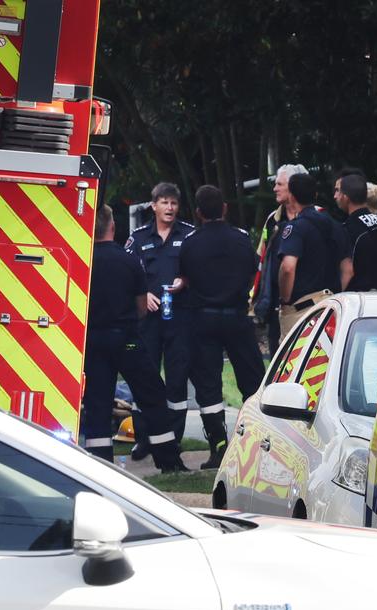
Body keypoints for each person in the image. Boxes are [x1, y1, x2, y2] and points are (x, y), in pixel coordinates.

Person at [80, 204, 183, 471]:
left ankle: (100, 464)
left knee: (97, 401)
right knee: (151, 394)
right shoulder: (128, 260)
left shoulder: (84, 259)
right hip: (126, 339)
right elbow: (140, 306)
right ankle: (168, 462)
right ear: (112, 227)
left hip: (93, 341)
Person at [178, 185, 265, 469]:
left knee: (208, 384)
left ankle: (218, 447)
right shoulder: (241, 239)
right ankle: (256, 442)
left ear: (199, 213)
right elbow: (255, 272)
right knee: (252, 380)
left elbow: (185, 278)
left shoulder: (190, 243)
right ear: (225, 208)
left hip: (203, 319)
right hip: (238, 318)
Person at [124, 182, 193, 470]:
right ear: (153, 206)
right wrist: (144, 294)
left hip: (179, 319)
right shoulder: (138, 238)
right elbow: (125, 273)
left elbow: (201, 269)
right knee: (146, 377)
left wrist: (185, 281)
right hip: (148, 320)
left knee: (177, 382)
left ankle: (172, 439)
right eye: (164, 202)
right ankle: (144, 437)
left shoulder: (189, 235)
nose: (169, 208)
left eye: (173, 203)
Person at [277, 172, 344, 337]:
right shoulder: (335, 225)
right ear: (315, 195)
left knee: (295, 359)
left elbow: (288, 267)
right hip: (333, 305)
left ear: (291, 196)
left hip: (302, 309)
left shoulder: (295, 228)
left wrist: (285, 300)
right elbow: (348, 268)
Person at [253, 163, 308, 359]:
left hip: (308, 306)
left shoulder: (318, 217)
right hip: (277, 306)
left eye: (279, 184)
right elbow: (262, 258)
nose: (275, 188)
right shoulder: (272, 220)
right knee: (278, 362)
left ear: (293, 187)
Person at [334, 171, 377, 292]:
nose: (335, 196)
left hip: (357, 302)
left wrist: (335, 297)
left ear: (346, 197)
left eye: (338, 192)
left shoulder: (346, 230)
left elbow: (348, 271)